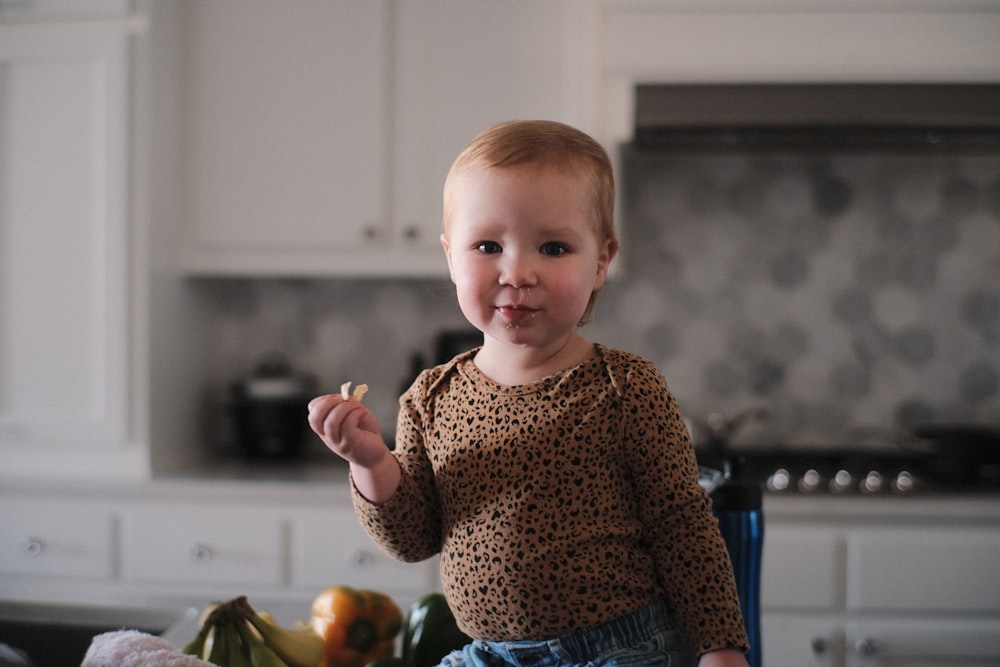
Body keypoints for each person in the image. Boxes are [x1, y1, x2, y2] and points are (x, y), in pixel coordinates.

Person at [307, 120, 750, 667]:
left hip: (620, 649)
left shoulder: (625, 388)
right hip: (490, 655)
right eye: (488, 245)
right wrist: (370, 460)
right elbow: (412, 539)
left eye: (554, 247)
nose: (517, 272)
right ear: (451, 256)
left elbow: (683, 527)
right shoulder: (430, 397)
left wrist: (721, 649)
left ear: (601, 262)